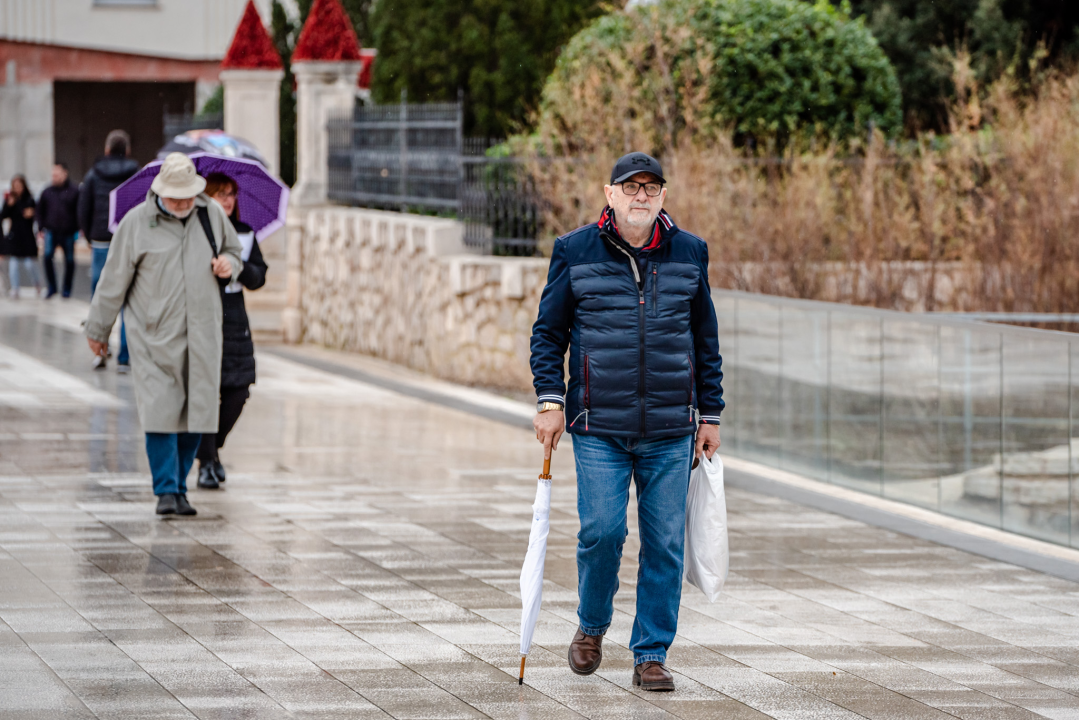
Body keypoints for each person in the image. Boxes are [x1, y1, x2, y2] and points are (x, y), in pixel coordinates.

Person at [530, 152, 724, 692]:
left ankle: (651, 653)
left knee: (664, 543)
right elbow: (548, 333)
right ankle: (591, 626)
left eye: (651, 187)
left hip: (670, 427)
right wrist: (550, 399)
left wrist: (709, 414)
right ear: (609, 194)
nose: (641, 195)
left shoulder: (690, 253)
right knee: (602, 532)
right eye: (630, 186)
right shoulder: (575, 249)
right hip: (598, 425)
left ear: (662, 196)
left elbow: (706, 339)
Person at [84, 153, 243, 517]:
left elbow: (234, 251)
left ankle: (180, 487)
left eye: (188, 196)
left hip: (202, 333)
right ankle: (165, 490)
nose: (183, 203)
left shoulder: (211, 215)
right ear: (160, 193)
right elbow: (112, 281)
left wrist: (228, 265)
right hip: (153, 336)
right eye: (176, 198)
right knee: (161, 413)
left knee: (195, 415)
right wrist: (99, 329)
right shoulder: (137, 223)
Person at [195, 172, 268, 490]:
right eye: (220, 193)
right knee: (206, 393)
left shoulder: (244, 233)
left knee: (238, 391)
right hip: (201, 318)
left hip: (235, 320)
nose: (227, 199)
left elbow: (259, 276)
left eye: (231, 193)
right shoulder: (194, 231)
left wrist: (236, 267)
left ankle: (212, 449)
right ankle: (206, 462)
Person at [78, 129, 139, 370]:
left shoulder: (94, 174)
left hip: (101, 241)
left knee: (100, 298)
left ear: (106, 149)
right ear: (127, 150)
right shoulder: (135, 173)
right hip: (128, 241)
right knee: (128, 299)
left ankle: (100, 348)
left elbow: (84, 207)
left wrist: (89, 234)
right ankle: (125, 358)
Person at [37, 162, 81, 298]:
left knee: (69, 261)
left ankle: (66, 289)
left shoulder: (74, 191)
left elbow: (79, 210)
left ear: (64, 174)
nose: (54, 177)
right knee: (47, 257)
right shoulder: (47, 191)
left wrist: (78, 228)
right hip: (51, 230)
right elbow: (40, 210)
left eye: (56, 174)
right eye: (52, 175)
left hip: (68, 231)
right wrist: (40, 227)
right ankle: (52, 287)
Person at [1, 175, 42, 298]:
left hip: (27, 236)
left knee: (30, 264)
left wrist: (32, 213)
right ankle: (15, 288)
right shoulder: (10, 200)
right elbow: (3, 215)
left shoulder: (29, 200)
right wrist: (9, 204)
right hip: (15, 235)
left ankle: (37, 284)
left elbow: (36, 214)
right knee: (13, 264)